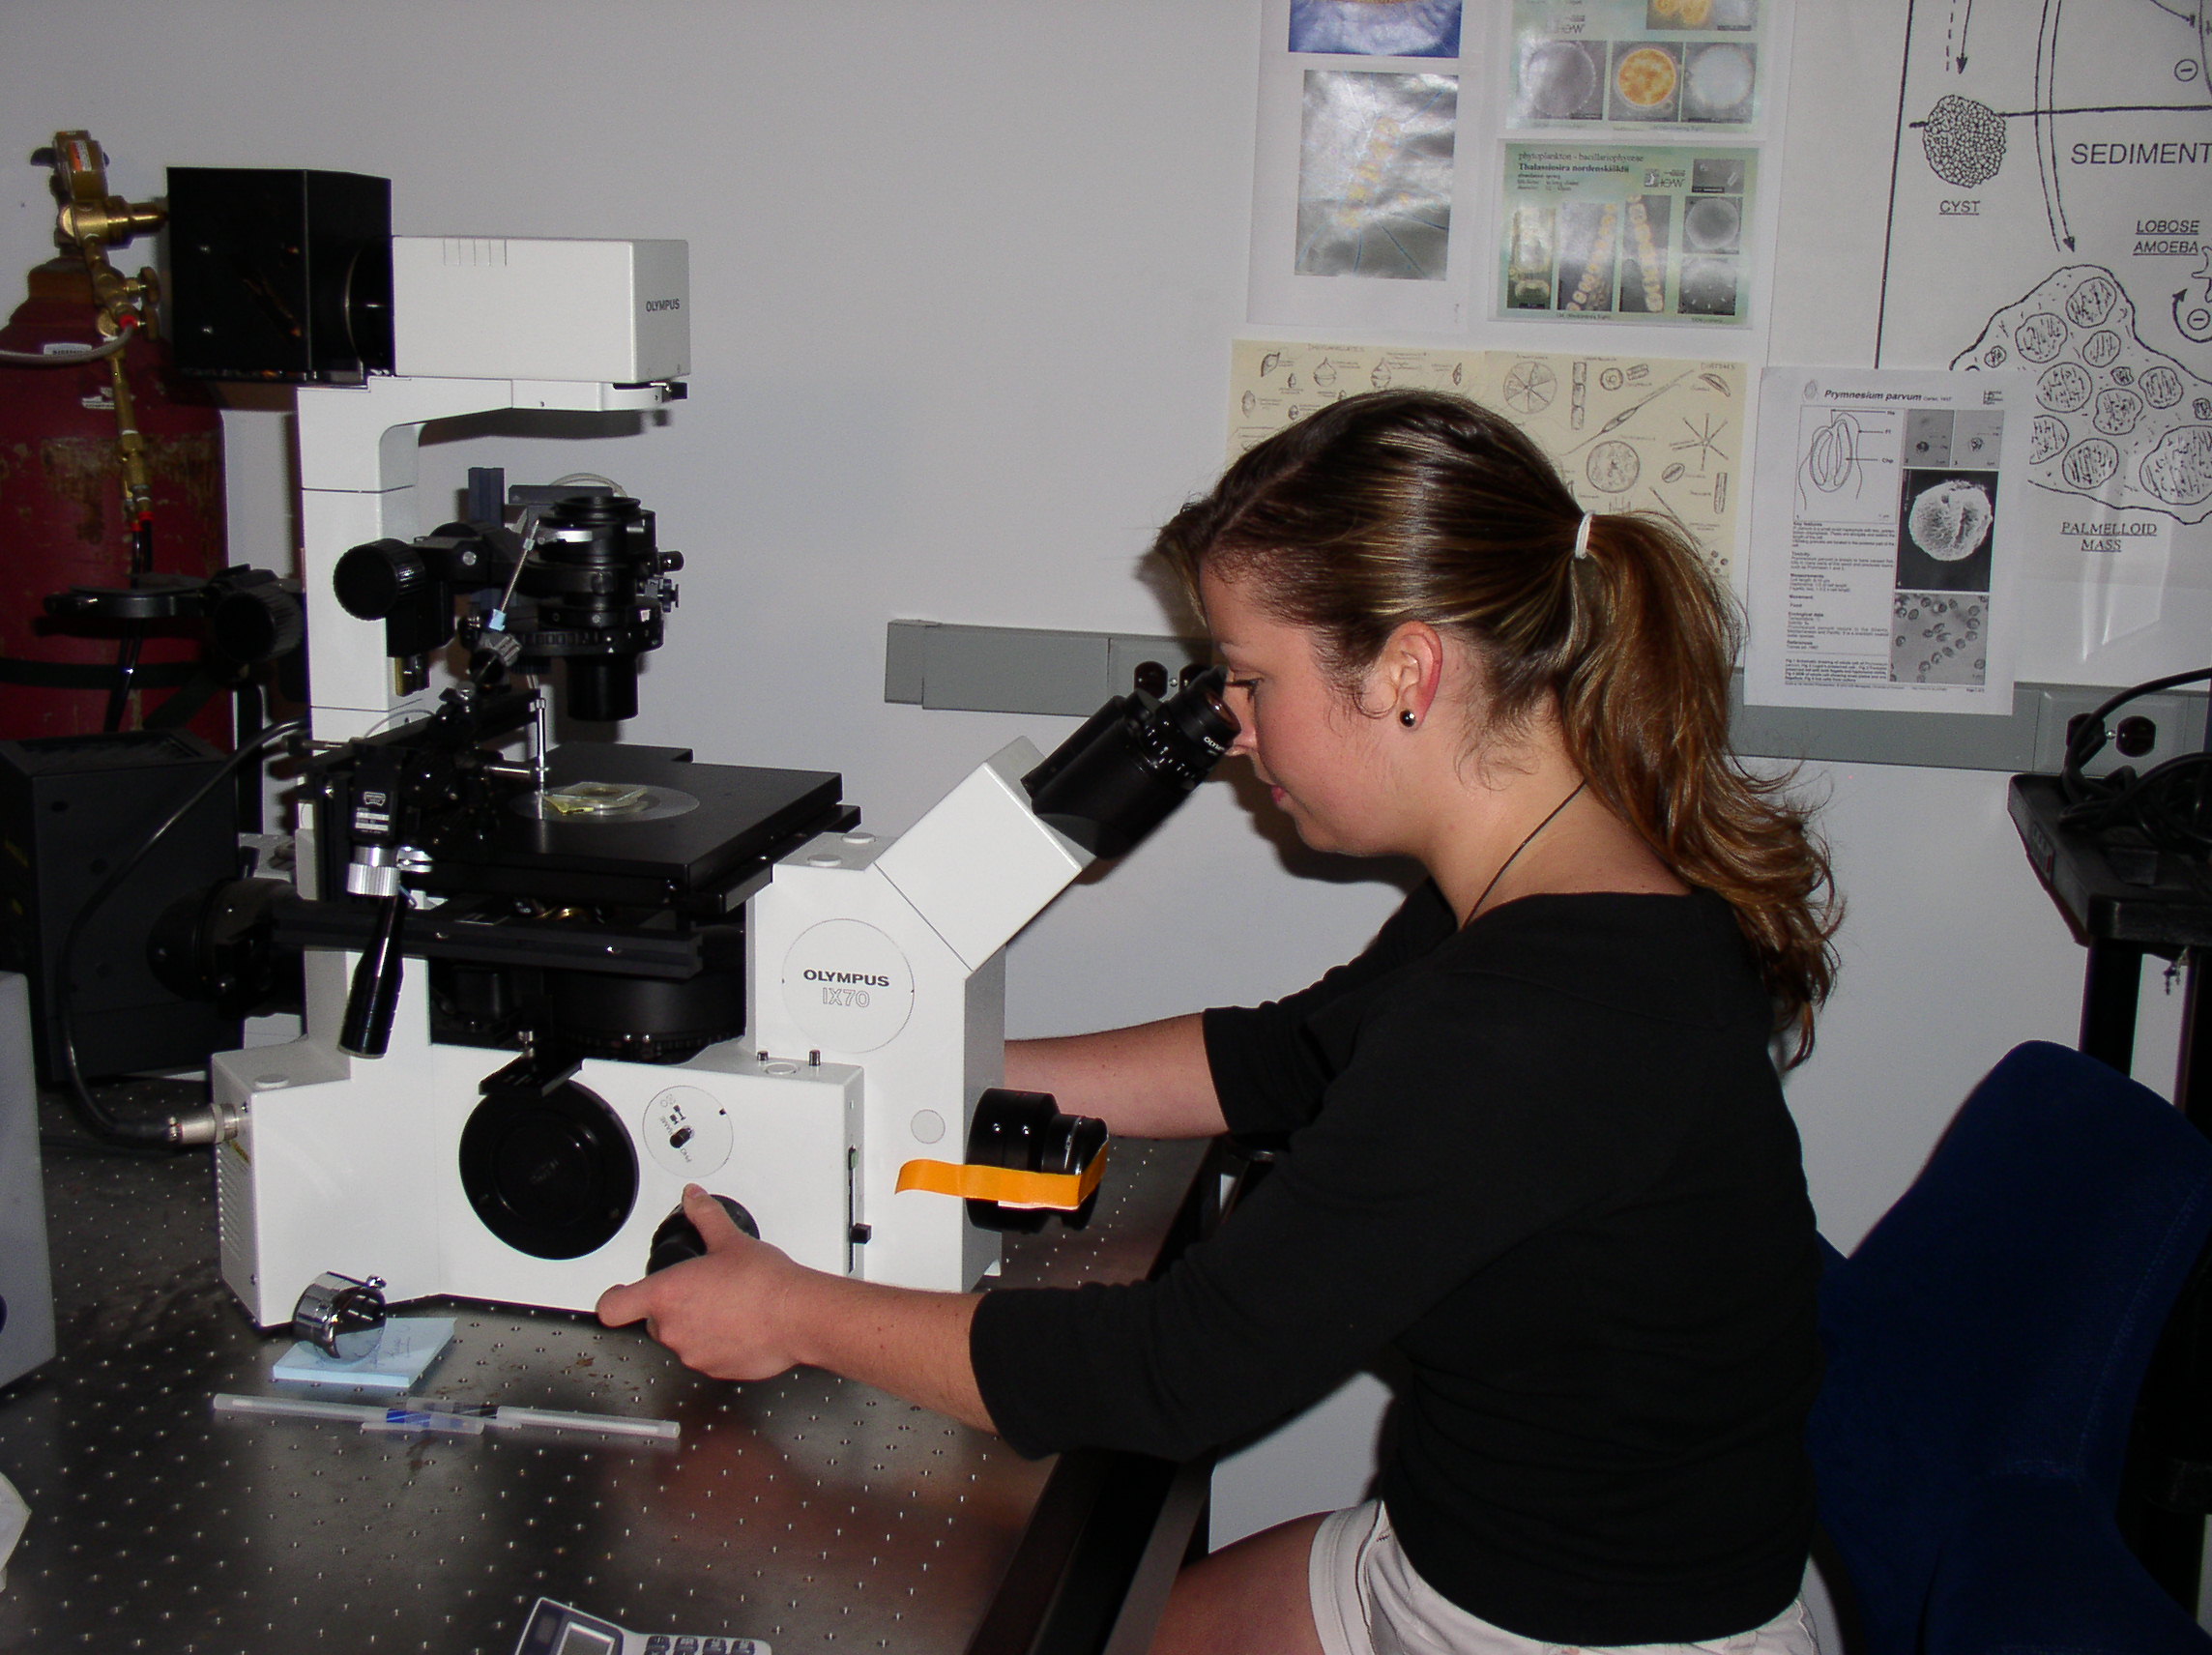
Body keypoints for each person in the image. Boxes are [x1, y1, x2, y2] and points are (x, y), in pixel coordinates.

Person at [598, 390, 1840, 1655]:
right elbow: (1280, 1060)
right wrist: (911, 1067)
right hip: (1467, 1543)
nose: (1232, 729)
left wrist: (790, 1312)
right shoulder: (1537, 901)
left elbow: (1174, 1375)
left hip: (1578, 1630)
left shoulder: (1528, 1018)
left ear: (1407, 671)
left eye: (1250, 678)